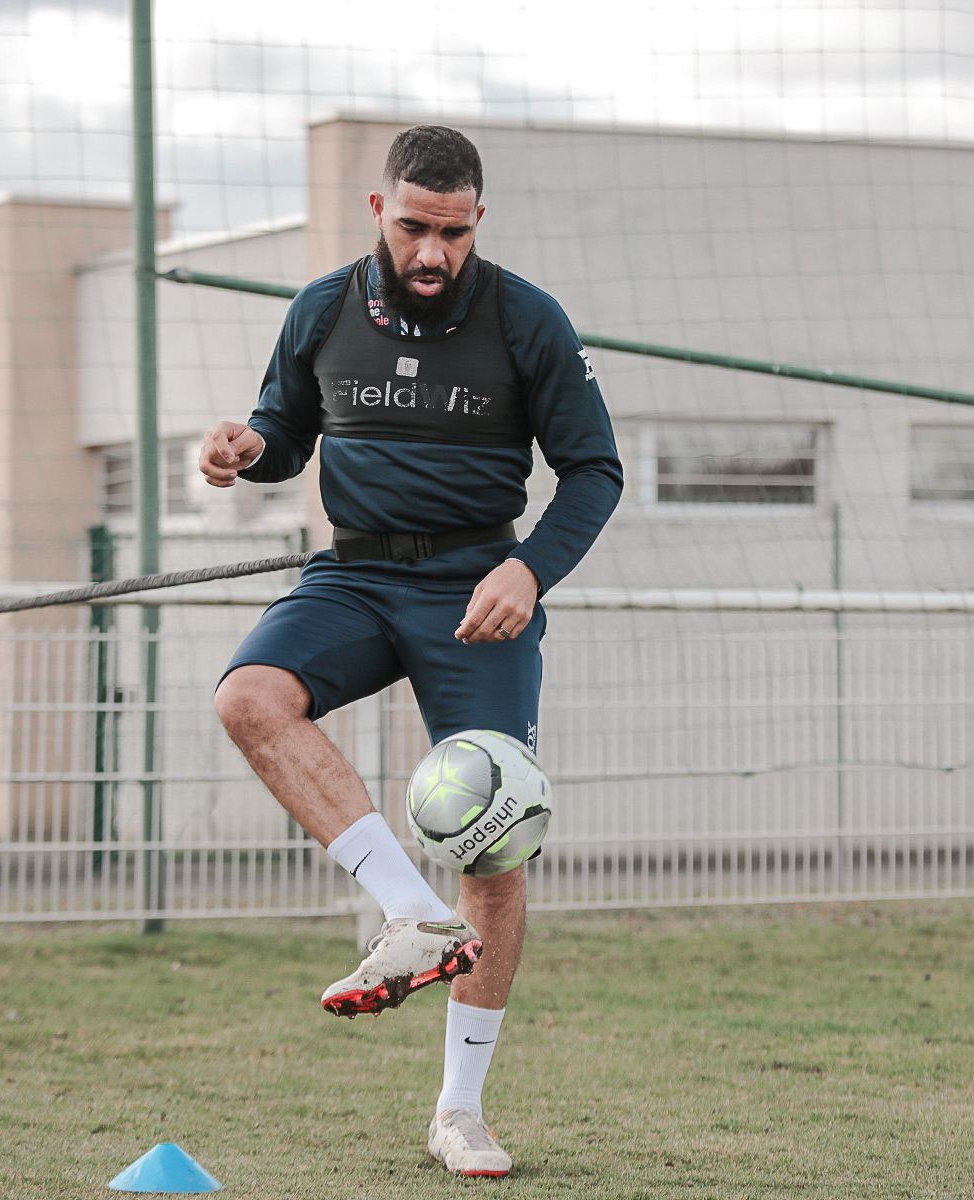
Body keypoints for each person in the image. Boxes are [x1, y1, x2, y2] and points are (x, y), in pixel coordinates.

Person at [202, 125, 622, 1178]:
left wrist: (528, 570)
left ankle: (461, 1113)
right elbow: (283, 427)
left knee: (494, 842)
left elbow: (593, 472)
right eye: (412, 227)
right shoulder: (319, 308)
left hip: (476, 588)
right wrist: (248, 450)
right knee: (249, 698)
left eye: (451, 230)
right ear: (376, 211)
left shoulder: (529, 320)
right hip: (352, 574)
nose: (431, 252)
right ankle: (409, 913)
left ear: (477, 218)